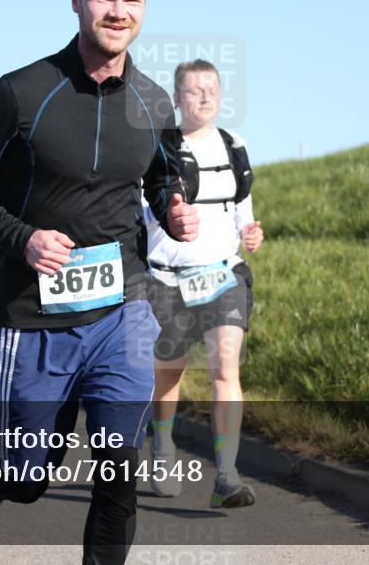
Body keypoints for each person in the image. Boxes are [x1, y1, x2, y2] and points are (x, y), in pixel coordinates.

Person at [0, 0, 198, 562]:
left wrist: (173, 205)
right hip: (36, 318)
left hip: (122, 310)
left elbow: (162, 175)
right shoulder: (22, 92)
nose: (118, 11)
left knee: (116, 476)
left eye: (132, 0)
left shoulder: (154, 103)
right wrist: (21, 238)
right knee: (31, 477)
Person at [144, 59, 264, 509]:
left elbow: (243, 216)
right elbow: (145, 212)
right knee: (168, 377)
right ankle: (162, 448)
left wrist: (251, 234)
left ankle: (227, 477)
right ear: (177, 98)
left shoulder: (235, 144)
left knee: (224, 369)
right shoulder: (157, 149)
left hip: (222, 275)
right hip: (167, 280)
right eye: (195, 90)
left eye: (212, 88)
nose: (206, 97)